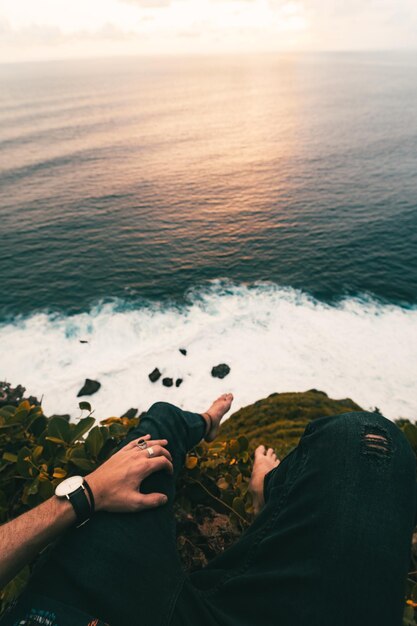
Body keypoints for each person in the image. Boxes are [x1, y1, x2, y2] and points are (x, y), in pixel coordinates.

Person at [0, 394, 416, 626]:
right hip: (90, 610)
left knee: (156, 438)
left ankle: (201, 425)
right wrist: (83, 493)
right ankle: (263, 492)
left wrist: (90, 492)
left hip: (84, 612)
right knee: (373, 440)